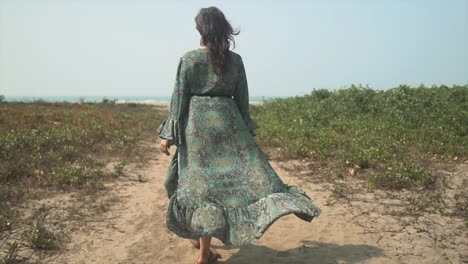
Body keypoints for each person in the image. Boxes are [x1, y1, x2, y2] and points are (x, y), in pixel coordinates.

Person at [158, 6, 321, 264]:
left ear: (200, 30)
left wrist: (168, 134)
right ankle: (204, 250)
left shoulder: (188, 59)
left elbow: (179, 100)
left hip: (198, 130)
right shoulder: (235, 60)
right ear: (224, 29)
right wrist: (246, 132)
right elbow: (242, 100)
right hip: (230, 125)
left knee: (201, 190)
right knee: (225, 186)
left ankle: (204, 254)